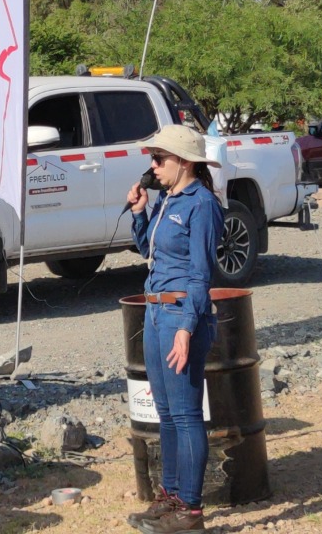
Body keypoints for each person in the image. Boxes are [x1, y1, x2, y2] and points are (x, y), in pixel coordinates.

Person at [124, 124, 223, 533]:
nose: (152, 166)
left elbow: (202, 274)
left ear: (184, 162)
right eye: (152, 158)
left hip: (183, 313)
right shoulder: (168, 199)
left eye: (159, 159)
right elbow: (149, 249)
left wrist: (186, 327)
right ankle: (170, 495)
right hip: (154, 311)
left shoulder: (202, 204)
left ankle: (191, 511)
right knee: (165, 413)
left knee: (185, 414)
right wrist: (140, 213)